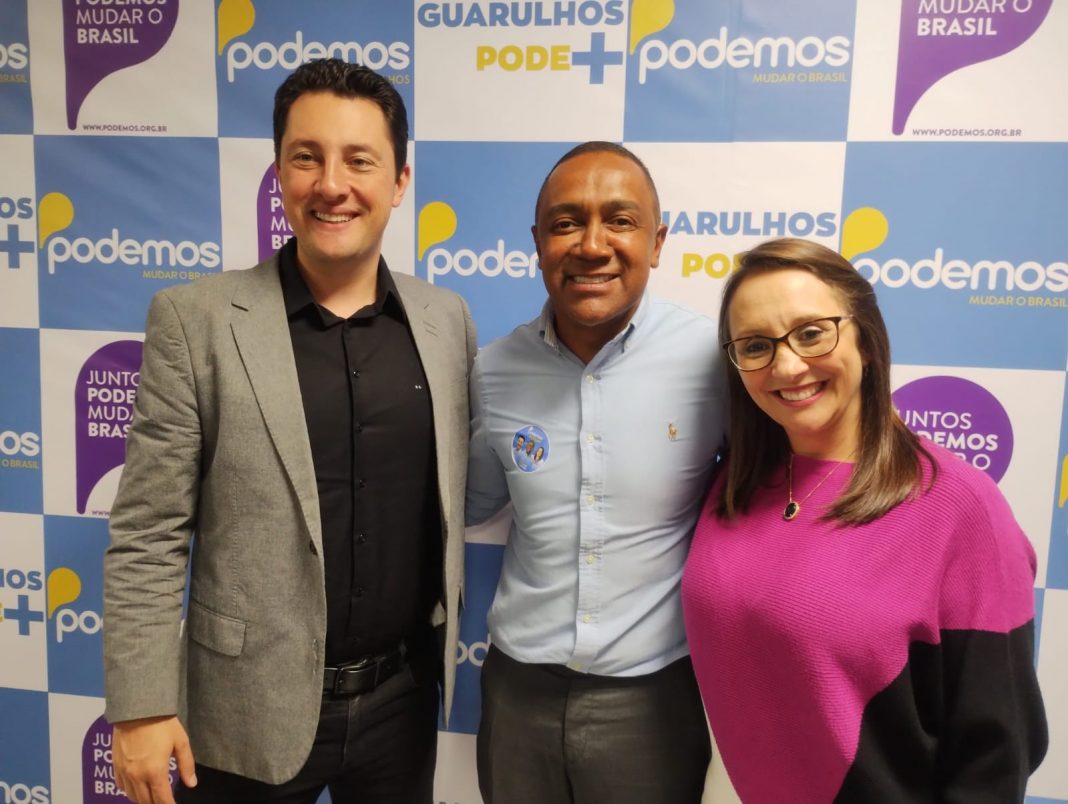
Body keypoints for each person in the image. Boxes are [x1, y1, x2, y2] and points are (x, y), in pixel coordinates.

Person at [103, 59, 476, 804]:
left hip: (402, 704)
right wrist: (140, 707)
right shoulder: (196, 322)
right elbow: (148, 531)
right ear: (279, 174)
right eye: (307, 157)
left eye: (359, 160)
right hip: (246, 708)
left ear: (399, 181)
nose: (331, 184)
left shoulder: (446, 322)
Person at [682, 238, 1047, 803]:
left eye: (811, 333)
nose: (787, 365)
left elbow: (998, 753)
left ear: (867, 341)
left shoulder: (961, 507)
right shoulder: (733, 482)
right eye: (755, 345)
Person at [466, 141, 726, 803]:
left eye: (620, 220)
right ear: (537, 243)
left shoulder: (715, 360)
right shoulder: (493, 371)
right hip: (516, 693)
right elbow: (474, 503)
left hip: (653, 702)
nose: (591, 245)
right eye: (566, 223)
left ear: (657, 242)